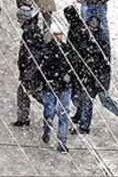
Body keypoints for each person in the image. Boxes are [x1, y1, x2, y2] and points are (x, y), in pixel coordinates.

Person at [64, 8, 118, 134]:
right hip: (91, 76)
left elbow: (102, 61)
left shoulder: (100, 40)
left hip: (98, 76)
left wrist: (97, 74)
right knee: (88, 100)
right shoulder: (86, 37)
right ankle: (84, 126)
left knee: (104, 101)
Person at [39, 24, 73, 153]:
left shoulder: (67, 50)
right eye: (56, 34)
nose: (59, 37)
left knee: (63, 114)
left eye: (60, 34)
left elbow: (73, 67)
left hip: (61, 86)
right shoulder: (48, 50)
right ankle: (47, 129)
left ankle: (62, 142)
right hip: (52, 85)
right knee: (50, 111)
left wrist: (68, 76)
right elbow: (43, 68)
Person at [13, 6, 47, 127]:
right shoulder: (31, 30)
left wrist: (27, 70)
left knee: (30, 93)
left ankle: (57, 109)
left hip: (31, 71)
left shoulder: (30, 32)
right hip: (31, 70)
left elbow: (32, 54)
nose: (18, 22)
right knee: (27, 93)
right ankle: (23, 118)